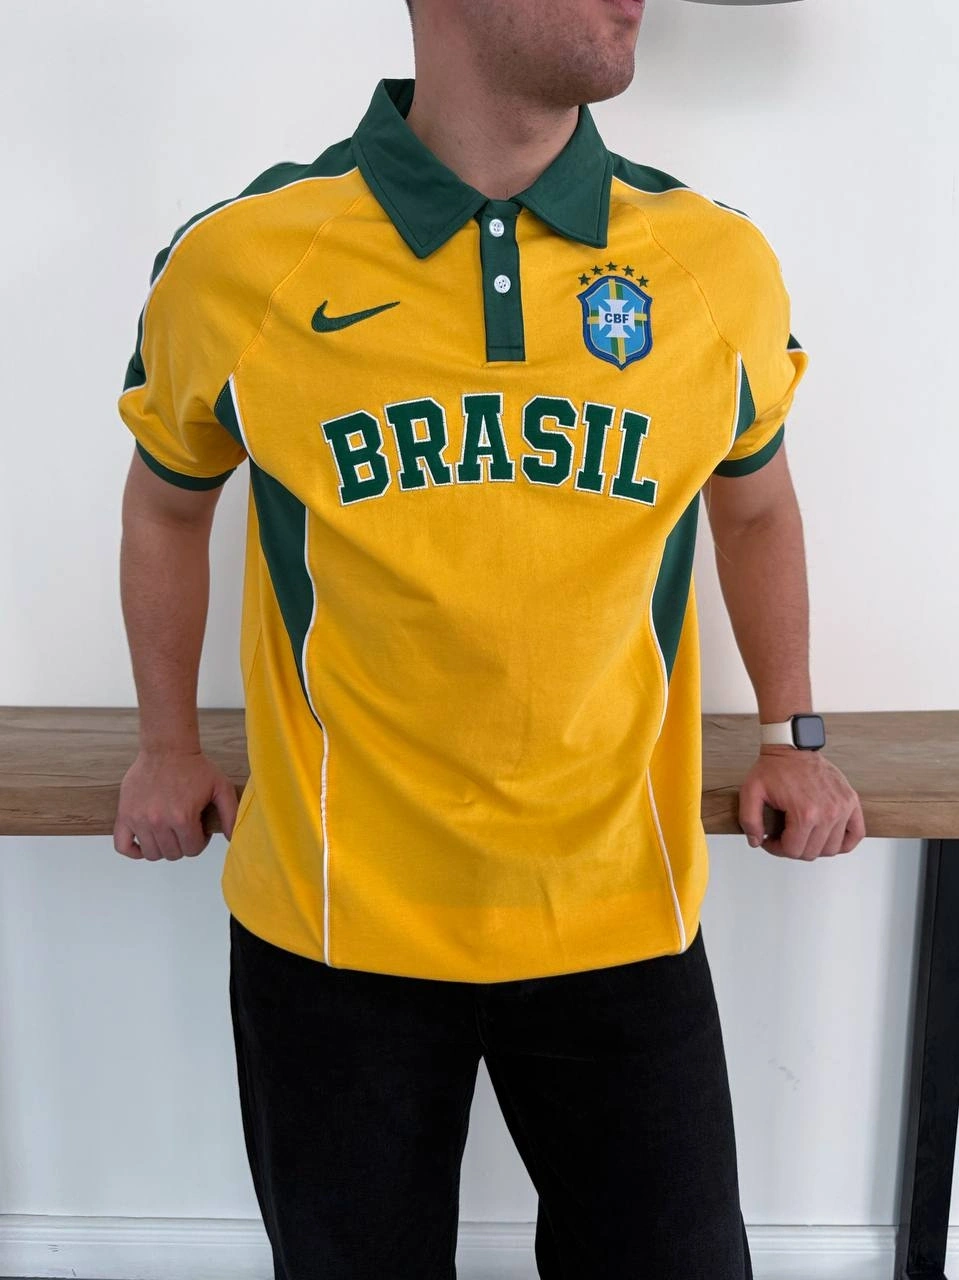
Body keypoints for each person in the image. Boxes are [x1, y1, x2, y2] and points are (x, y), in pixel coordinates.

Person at [113, 0, 866, 1275]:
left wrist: (793, 729)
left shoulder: (709, 260)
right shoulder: (244, 257)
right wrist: (164, 743)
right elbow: (165, 504)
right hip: (336, 925)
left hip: (620, 911)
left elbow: (753, 504)